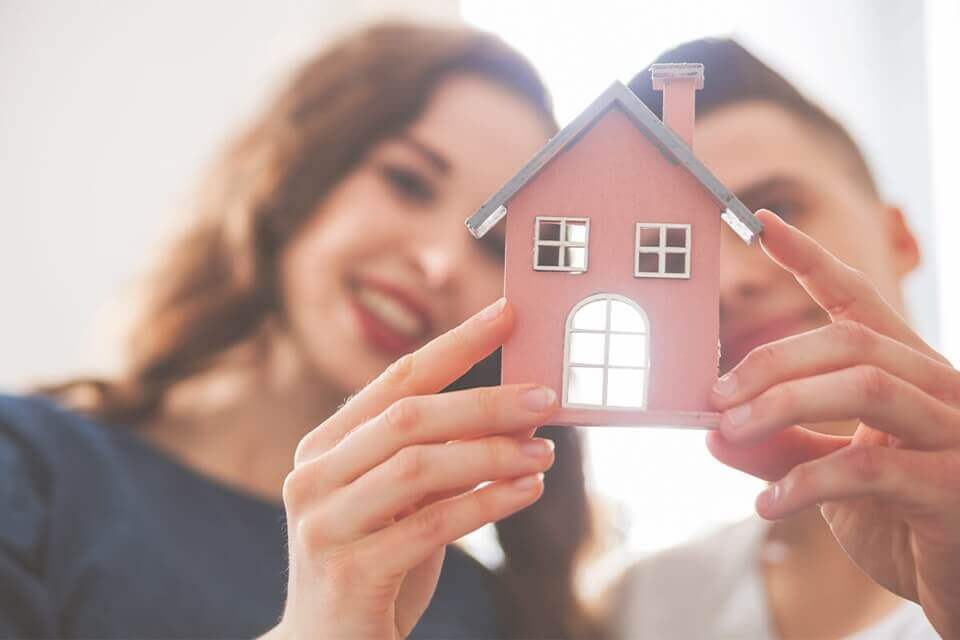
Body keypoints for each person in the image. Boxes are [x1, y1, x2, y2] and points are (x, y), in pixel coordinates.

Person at [0, 21, 597, 639]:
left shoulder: (487, 613)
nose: (439, 262)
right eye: (407, 181)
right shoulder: (28, 469)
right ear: (294, 172)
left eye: (497, 245)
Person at [609, 39, 960, 639]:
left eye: (776, 208)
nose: (729, 283)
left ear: (901, 238)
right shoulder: (645, 607)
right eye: (675, 247)